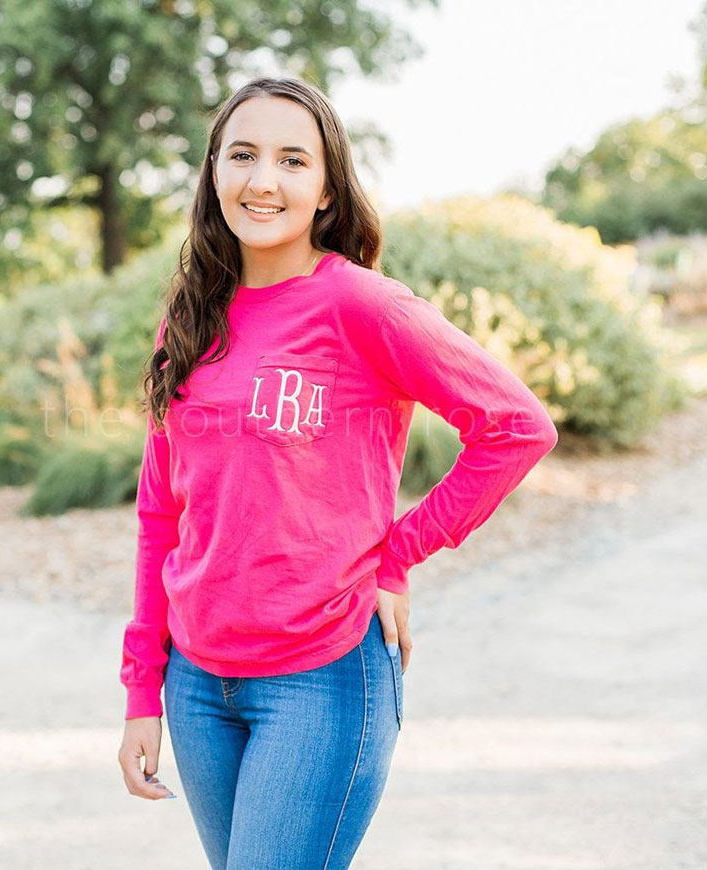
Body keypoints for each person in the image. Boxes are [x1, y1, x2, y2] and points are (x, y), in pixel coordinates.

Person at [117, 75, 558, 869]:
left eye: (293, 161)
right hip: (196, 684)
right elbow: (161, 514)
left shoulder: (362, 306)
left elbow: (514, 427)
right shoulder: (187, 316)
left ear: (325, 190)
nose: (263, 180)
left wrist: (396, 554)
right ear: (214, 170)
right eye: (243, 154)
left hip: (321, 677)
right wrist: (141, 690)